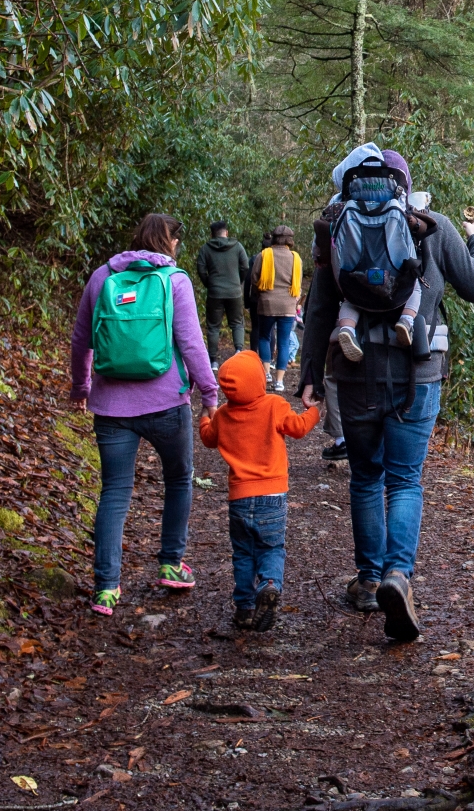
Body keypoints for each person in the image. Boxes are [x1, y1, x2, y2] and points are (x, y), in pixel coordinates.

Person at [300, 144, 474, 641]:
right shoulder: (434, 225)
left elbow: (320, 306)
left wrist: (310, 376)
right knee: (404, 480)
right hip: (417, 373)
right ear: (405, 186)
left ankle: (367, 581)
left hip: (355, 369)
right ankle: (397, 575)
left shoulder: (335, 225)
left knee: (365, 478)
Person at [69, 213, 219, 617]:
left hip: (110, 407)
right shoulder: (175, 281)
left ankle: (105, 588)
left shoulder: (102, 277)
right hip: (167, 402)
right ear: (169, 242)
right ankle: (171, 563)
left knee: (114, 492)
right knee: (179, 480)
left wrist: (81, 388)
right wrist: (209, 392)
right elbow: (190, 343)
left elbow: (82, 340)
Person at [198, 349, 320, 631]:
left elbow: (207, 439)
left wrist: (206, 416)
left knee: (243, 553)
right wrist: (315, 411)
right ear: (258, 380)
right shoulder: (274, 405)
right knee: (271, 547)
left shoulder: (224, 416)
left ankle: (244, 608)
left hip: (239, 499)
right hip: (272, 497)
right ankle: (269, 584)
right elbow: (299, 428)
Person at [252, 226, 302, 392]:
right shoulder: (295, 258)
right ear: (289, 239)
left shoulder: (264, 255)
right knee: (283, 342)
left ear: (273, 238)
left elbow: (254, 278)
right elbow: (299, 284)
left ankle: (266, 374)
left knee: (265, 337)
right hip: (288, 305)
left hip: (267, 303)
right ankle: (279, 381)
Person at [193, 220, 251, 361]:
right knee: (237, 323)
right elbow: (245, 267)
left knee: (213, 326)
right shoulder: (237, 247)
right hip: (234, 291)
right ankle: (238, 351)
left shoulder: (206, 248)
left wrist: (209, 283)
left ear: (212, 234)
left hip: (215, 292)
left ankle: (213, 360)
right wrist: (239, 281)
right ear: (226, 232)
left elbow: (201, 268)